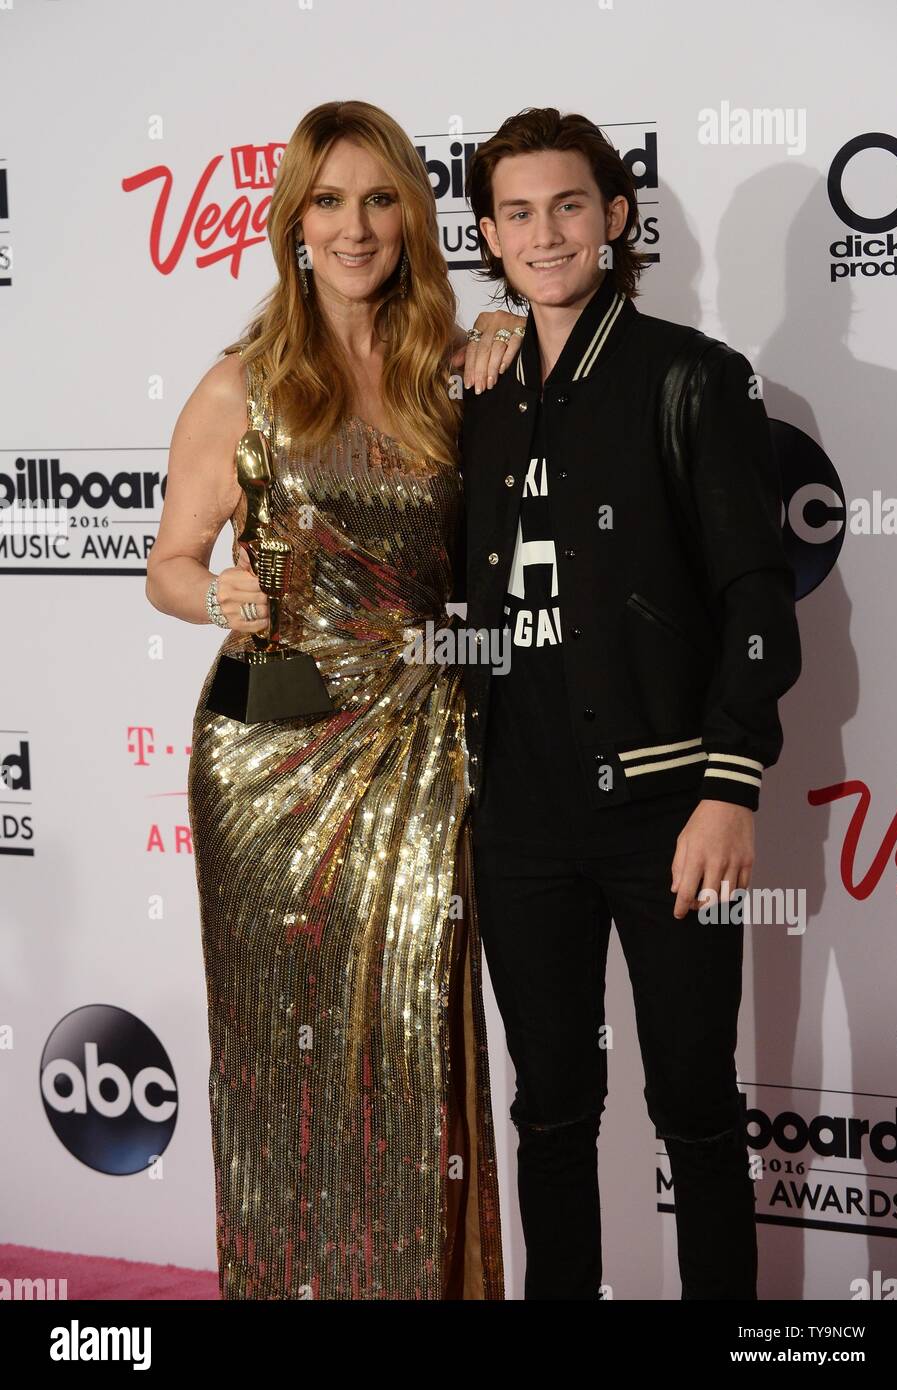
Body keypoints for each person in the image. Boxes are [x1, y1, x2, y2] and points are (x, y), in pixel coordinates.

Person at [145, 99, 524, 1300]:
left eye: (378, 200)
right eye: (329, 201)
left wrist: (515, 334)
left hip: (422, 753)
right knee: (275, 1068)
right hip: (271, 762)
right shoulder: (240, 383)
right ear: (293, 222)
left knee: (416, 1048)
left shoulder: (459, 372)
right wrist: (220, 600)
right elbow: (168, 563)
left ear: (411, 215)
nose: (355, 227)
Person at [457, 107, 803, 1300]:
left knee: (696, 1105)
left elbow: (759, 598)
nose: (543, 232)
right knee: (549, 1111)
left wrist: (729, 781)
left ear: (615, 217)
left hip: (671, 814)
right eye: (516, 212)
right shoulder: (473, 390)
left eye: (567, 205)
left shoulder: (690, 376)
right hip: (515, 824)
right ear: (490, 237)